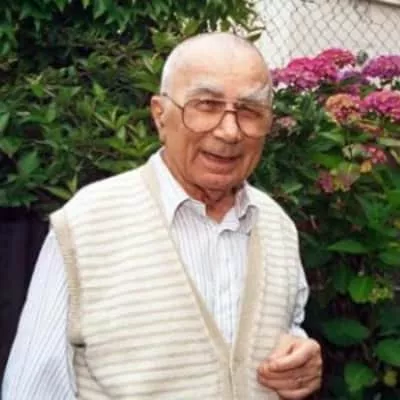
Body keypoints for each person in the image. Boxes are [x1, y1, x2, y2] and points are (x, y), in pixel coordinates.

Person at [2, 32, 322, 399]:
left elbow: (284, 330)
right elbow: (33, 388)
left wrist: (299, 357)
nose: (230, 131)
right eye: (206, 104)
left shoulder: (278, 227)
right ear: (159, 115)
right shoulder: (87, 226)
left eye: (250, 111)